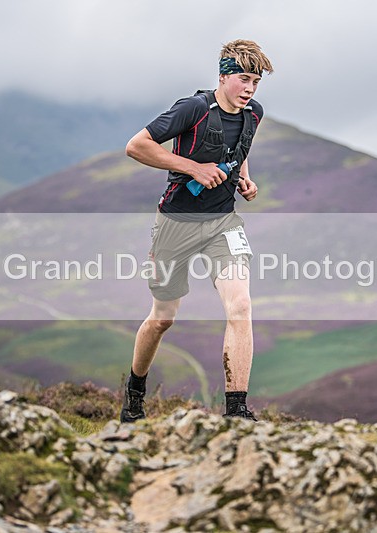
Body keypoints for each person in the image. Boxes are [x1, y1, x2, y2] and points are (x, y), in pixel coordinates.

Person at [120, 39, 274, 423]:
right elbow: (136, 146)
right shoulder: (194, 108)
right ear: (223, 76)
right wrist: (193, 168)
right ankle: (134, 396)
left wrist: (244, 179)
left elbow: (241, 146)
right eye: (243, 79)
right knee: (163, 318)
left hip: (223, 223)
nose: (250, 89)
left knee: (240, 306)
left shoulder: (253, 113)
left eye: (256, 81)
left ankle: (236, 410)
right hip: (175, 224)